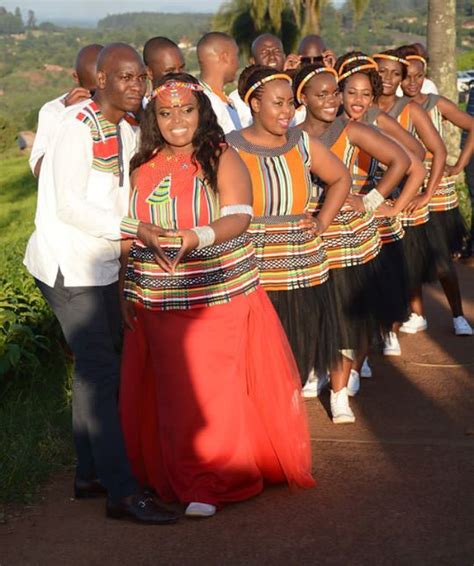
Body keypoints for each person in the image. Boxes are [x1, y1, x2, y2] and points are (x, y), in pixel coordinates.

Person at [119, 73, 315, 519]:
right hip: (157, 299)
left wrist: (195, 236)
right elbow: (129, 233)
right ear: (154, 119)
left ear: (200, 113)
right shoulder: (142, 165)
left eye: (186, 110)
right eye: (166, 114)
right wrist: (121, 290)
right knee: (173, 391)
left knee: (214, 389)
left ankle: (214, 478)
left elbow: (239, 216)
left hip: (217, 292)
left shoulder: (220, 156)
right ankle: (180, 474)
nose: (177, 122)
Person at [24, 43, 178, 525]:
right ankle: (122, 491)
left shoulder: (126, 130)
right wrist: (137, 231)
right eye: (125, 78)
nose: (135, 86)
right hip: (68, 265)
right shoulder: (76, 128)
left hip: (102, 265)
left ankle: (90, 473)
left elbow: (122, 202)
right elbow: (69, 206)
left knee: (97, 370)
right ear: (102, 81)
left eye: (140, 78)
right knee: (101, 370)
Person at [227, 65, 354, 423]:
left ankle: (282, 435)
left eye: (290, 105)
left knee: (297, 355)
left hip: (301, 267)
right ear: (253, 104)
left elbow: (340, 178)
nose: (287, 112)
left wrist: (322, 221)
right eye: (277, 103)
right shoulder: (229, 146)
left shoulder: (301, 144)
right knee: (253, 358)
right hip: (250, 269)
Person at [294, 60, 417, 414]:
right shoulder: (292, 134)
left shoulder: (349, 130)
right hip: (311, 236)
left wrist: (372, 200)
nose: (333, 100)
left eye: (335, 92)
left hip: (349, 236)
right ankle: (320, 370)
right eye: (324, 94)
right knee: (317, 312)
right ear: (303, 97)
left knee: (349, 314)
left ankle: (339, 390)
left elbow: (403, 161)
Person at [397, 45, 473, 336]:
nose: (412, 82)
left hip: (437, 191)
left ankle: (457, 315)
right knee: (411, 253)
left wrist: (458, 166)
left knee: (441, 256)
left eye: (418, 76)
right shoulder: (395, 109)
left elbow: (471, 125)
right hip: (409, 189)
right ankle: (418, 314)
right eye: (406, 77)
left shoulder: (436, 103)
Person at [29, 43, 103, 178]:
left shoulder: (123, 106)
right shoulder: (53, 110)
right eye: (92, 93)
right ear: (76, 77)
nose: (98, 99)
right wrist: (68, 116)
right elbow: (39, 170)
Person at [196, 31, 242, 133]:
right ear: (224, 57)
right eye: (236, 56)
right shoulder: (206, 102)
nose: (238, 64)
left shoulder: (222, 98)